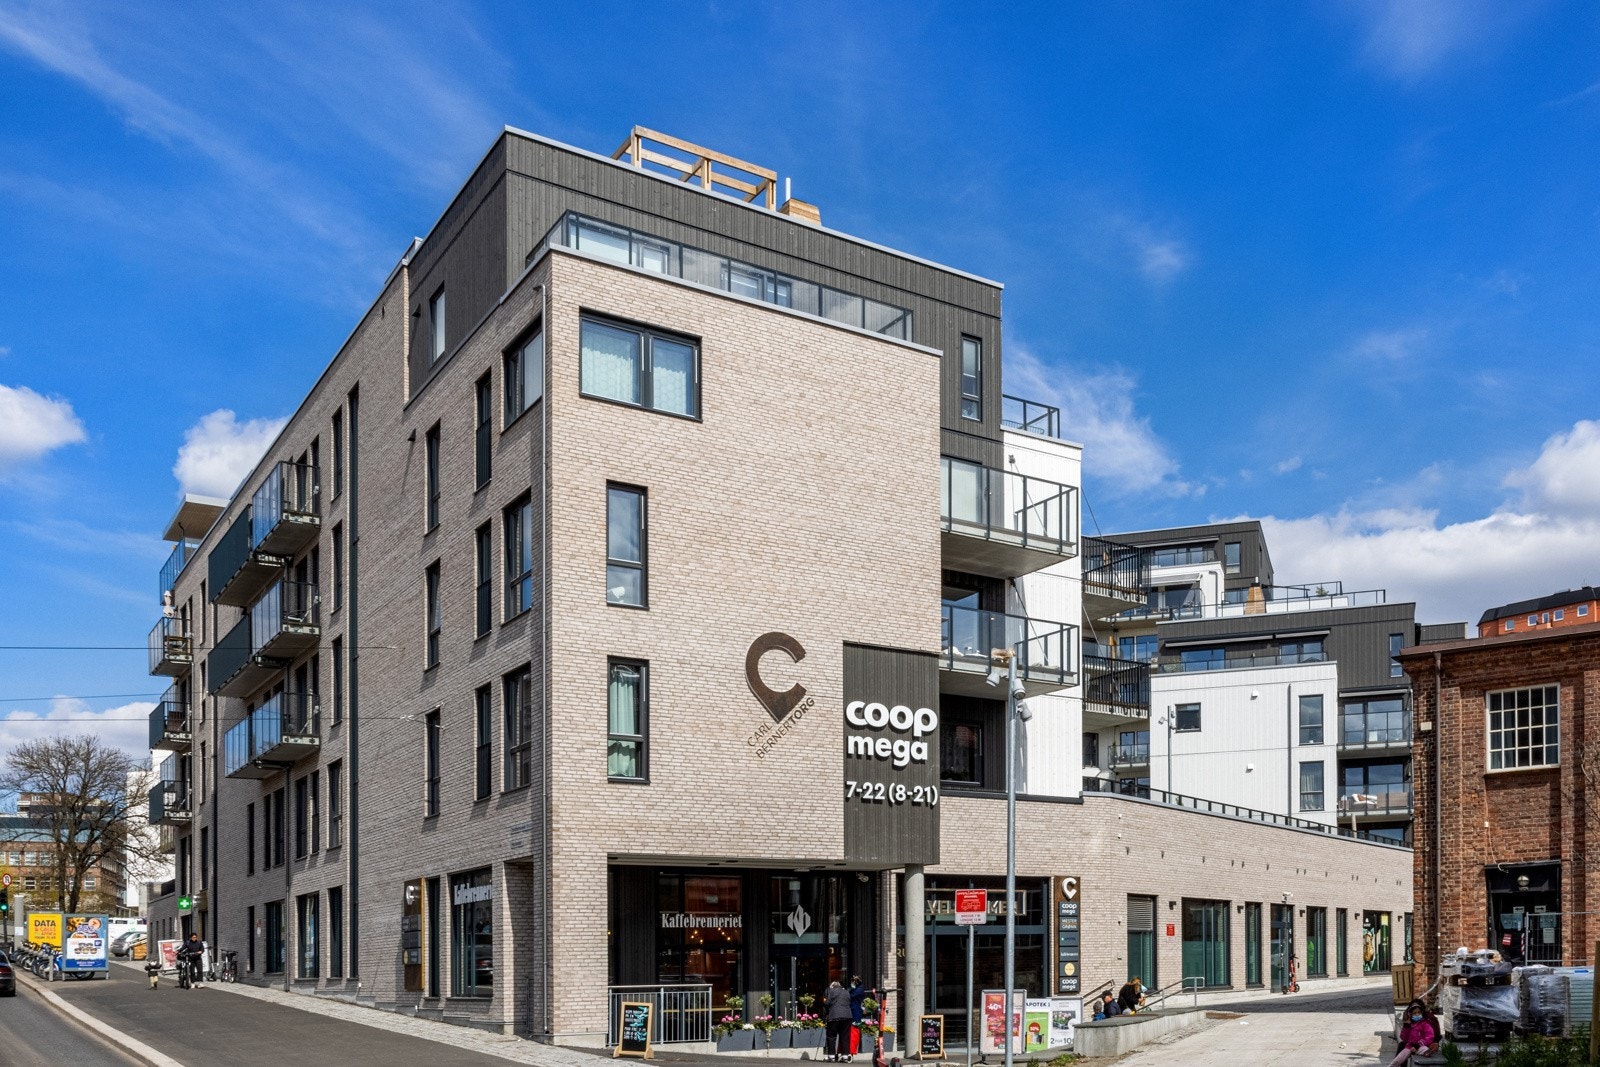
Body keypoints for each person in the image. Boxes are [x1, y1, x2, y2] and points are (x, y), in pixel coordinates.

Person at [1389, 999, 1439, 1066]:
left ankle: (1427, 1052)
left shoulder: (1426, 1022)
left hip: (1424, 1044)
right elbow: (1404, 1038)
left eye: (1419, 1012)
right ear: (1411, 1014)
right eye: (1415, 1013)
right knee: (1401, 1055)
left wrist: (1417, 1045)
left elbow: (1430, 1036)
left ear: (1422, 1012)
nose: (1417, 1014)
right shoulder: (1410, 1024)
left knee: (1424, 1049)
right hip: (1410, 1046)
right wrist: (1406, 1026)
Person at [824, 980, 853, 1062]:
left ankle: (831, 1056)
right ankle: (845, 1056)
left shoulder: (832, 991)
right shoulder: (846, 992)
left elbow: (827, 1003)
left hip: (834, 1016)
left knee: (831, 1036)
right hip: (847, 1016)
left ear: (832, 986)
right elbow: (849, 1002)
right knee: (845, 1036)